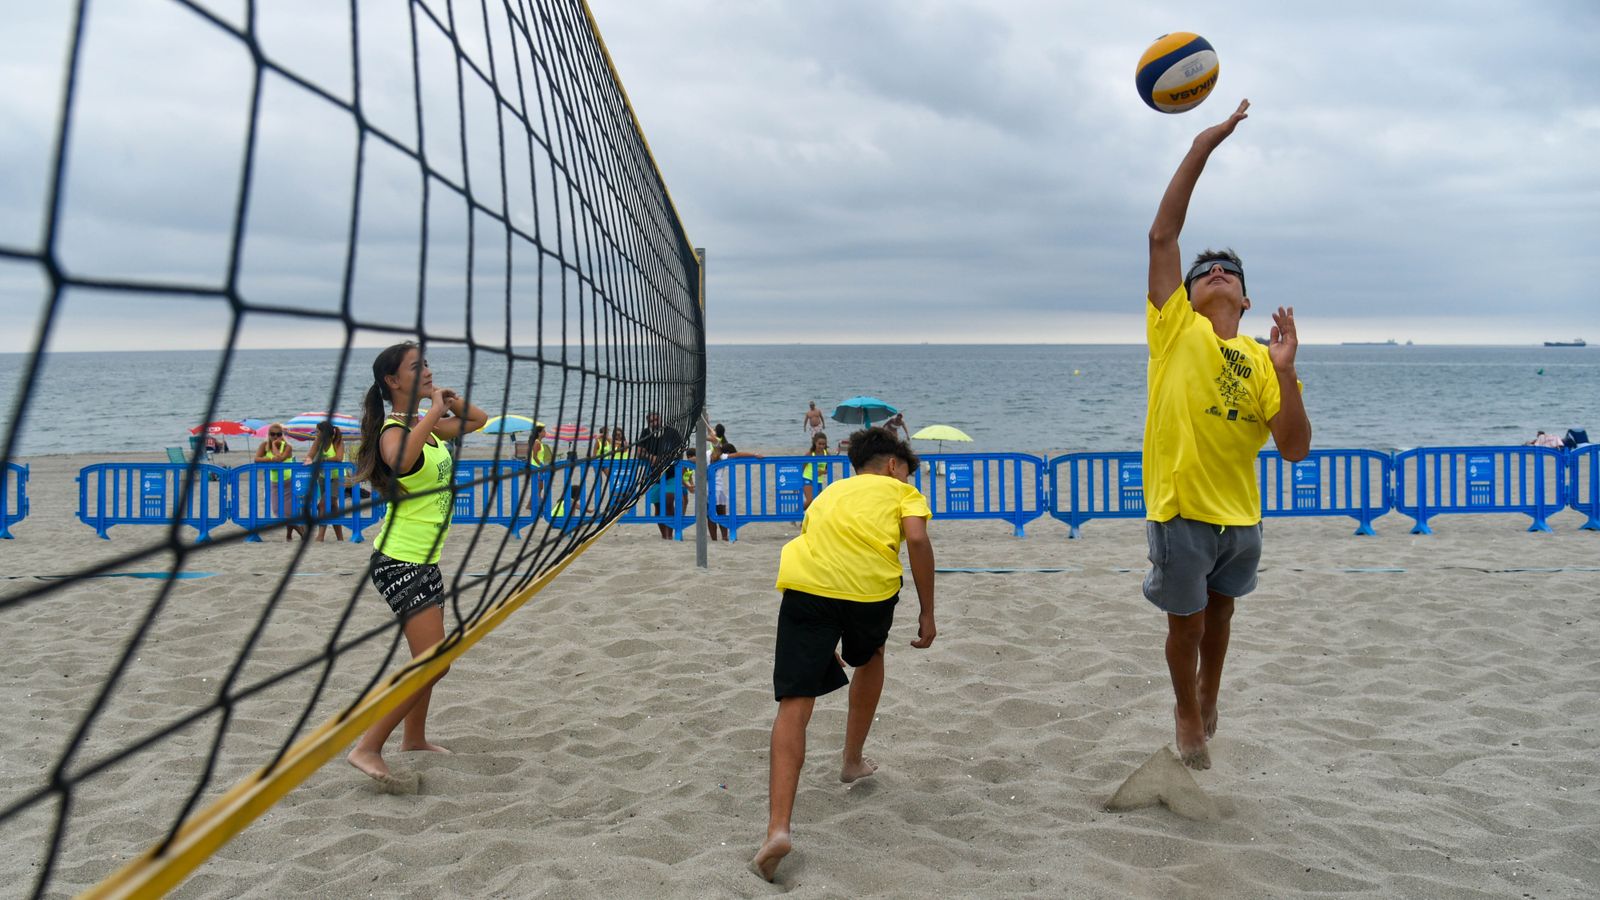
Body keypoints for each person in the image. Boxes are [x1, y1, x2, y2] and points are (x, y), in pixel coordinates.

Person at [1142, 99, 1311, 771]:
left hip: (1241, 514)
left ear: (1244, 301)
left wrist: (1289, 372)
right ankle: (1188, 706)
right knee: (1184, 623)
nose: (1217, 272)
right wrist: (1205, 144)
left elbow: (1295, 447)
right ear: (1186, 297)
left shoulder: (1261, 361)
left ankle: (1211, 689)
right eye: (1205, 271)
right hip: (1182, 507)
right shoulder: (1174, 330)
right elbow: (1162, 237)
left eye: (1230, 273)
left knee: (1222, 616)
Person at [752, 426, 937, 882]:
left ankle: (777, 829)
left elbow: (821, 546)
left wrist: (821, 646)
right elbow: (915, 539)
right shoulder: (900, 491)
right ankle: (852, 760)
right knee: (870, 655)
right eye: (908, 474)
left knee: (794, 702)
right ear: (894, 466)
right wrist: (928, 612)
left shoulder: (828, 493)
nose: (909, 481)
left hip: (805, 587)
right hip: (868, 594)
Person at [347, 341, 488, 781]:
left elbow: (479, 421)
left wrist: (445, 399)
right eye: (416, 366)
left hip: (424, 560)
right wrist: (430, 411)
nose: (426, 369)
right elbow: (402, 457)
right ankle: (367, 747)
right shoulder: (394, 429)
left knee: (424, 659)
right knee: (435, 661)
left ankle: (414, 738)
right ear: (392, 381)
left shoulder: (424, 423)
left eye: (426, 362)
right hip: (400, 561)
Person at [635, 411, 684, 539]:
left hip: (672, 474)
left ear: (661, 419)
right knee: (658, 506)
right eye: (651, 421)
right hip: (654, 477)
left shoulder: (672, 433)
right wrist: (651, 457)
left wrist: (655, 458)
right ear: (648, 423)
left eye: (656, 420)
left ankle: (671, 533)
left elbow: (676, 453)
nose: (654, 423)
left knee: (668, 502)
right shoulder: (646, 433)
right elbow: (639, 452)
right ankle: (665, 536)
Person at [255, 424, 303, 541]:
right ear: (268, 434)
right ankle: (298, 531)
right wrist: (270, 458)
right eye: (272, 434)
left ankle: (296, 533)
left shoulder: (287, 446)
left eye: (279, 434)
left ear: (282, 435)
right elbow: (257, 459)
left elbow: (279, 458)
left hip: (289, 481)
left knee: (288, 511)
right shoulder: (264, 445)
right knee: (278, 510)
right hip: (275, 482)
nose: (275, 436)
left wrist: (274, 445)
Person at [305, 420, 347, 543]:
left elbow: (339, 458)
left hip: (338, 478)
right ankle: (340, 538)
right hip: (323, 477)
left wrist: (323, 459)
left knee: (322, 505)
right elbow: (311, 454)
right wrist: (308, 459)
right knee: (333, 507)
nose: (316, 433)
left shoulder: (338, 442)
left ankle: (320, 536)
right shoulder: (318, 441)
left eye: (318, 431)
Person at [801, 431, 830, 509]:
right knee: (810, 500)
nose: (821, 446)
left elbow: (828, 470)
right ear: (815, 443)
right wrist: (797, 482)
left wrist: (822, 472)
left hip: (818, 481)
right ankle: (795, 514)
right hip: (807, 478)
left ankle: (806, 520)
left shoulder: (827, 454)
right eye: (819, 444)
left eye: (823, 444)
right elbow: (801, 467)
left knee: (818, 503)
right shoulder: (810, 454)